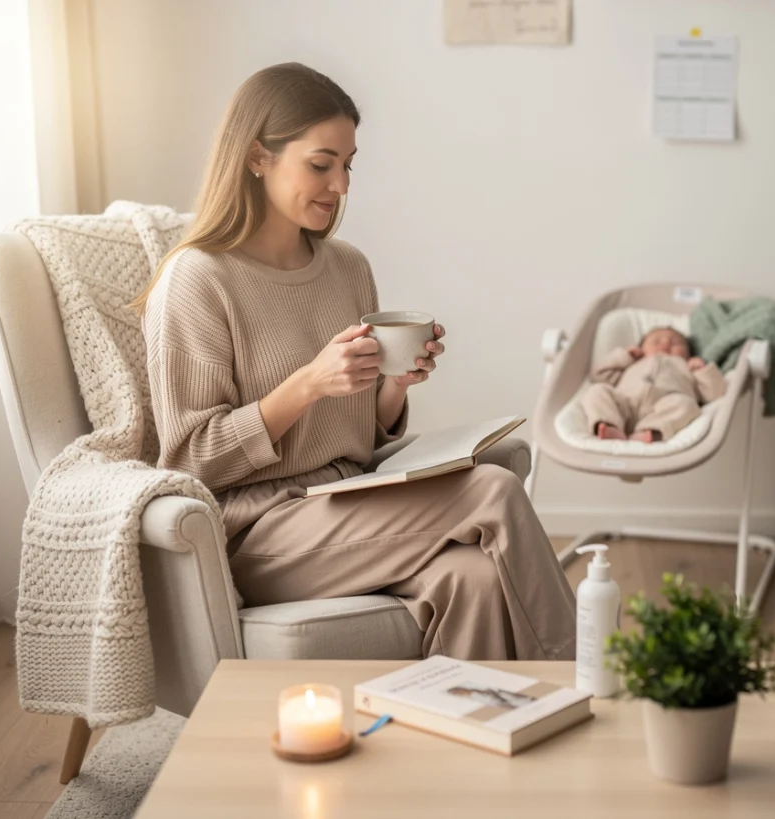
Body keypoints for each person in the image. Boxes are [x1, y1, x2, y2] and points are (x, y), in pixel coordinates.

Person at [132, 62, 575, 661]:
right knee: (492, 491)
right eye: (321, 164)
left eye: (348, 165)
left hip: (349, 500)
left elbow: (357, 438)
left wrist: (391, 386)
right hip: (256, 533)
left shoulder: (347, 267)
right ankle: (587, 686)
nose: (340, 185)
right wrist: (309, 384)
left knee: (468, 579)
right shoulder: (198, 279)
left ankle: (461, 741)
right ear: (258, 157)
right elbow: (190, 458)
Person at [581, 326, 726, 443]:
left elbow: (714, 394)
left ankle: (650, 431)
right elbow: (599, 375)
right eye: (656, 341)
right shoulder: (633, 363)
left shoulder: (686, 366)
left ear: (688, 353)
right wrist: (625, 356)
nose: (665, 344)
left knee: (686, 404)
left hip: (665, 404)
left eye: (676, 343)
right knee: (597, 391)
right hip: (625, 403)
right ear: (641, 348)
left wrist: (702, 371)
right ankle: (610, 424)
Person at [446, 685, 538, 710]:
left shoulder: (484, 691)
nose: (458, 693)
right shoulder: (468, 701)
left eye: (456, 691)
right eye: (455, 693)